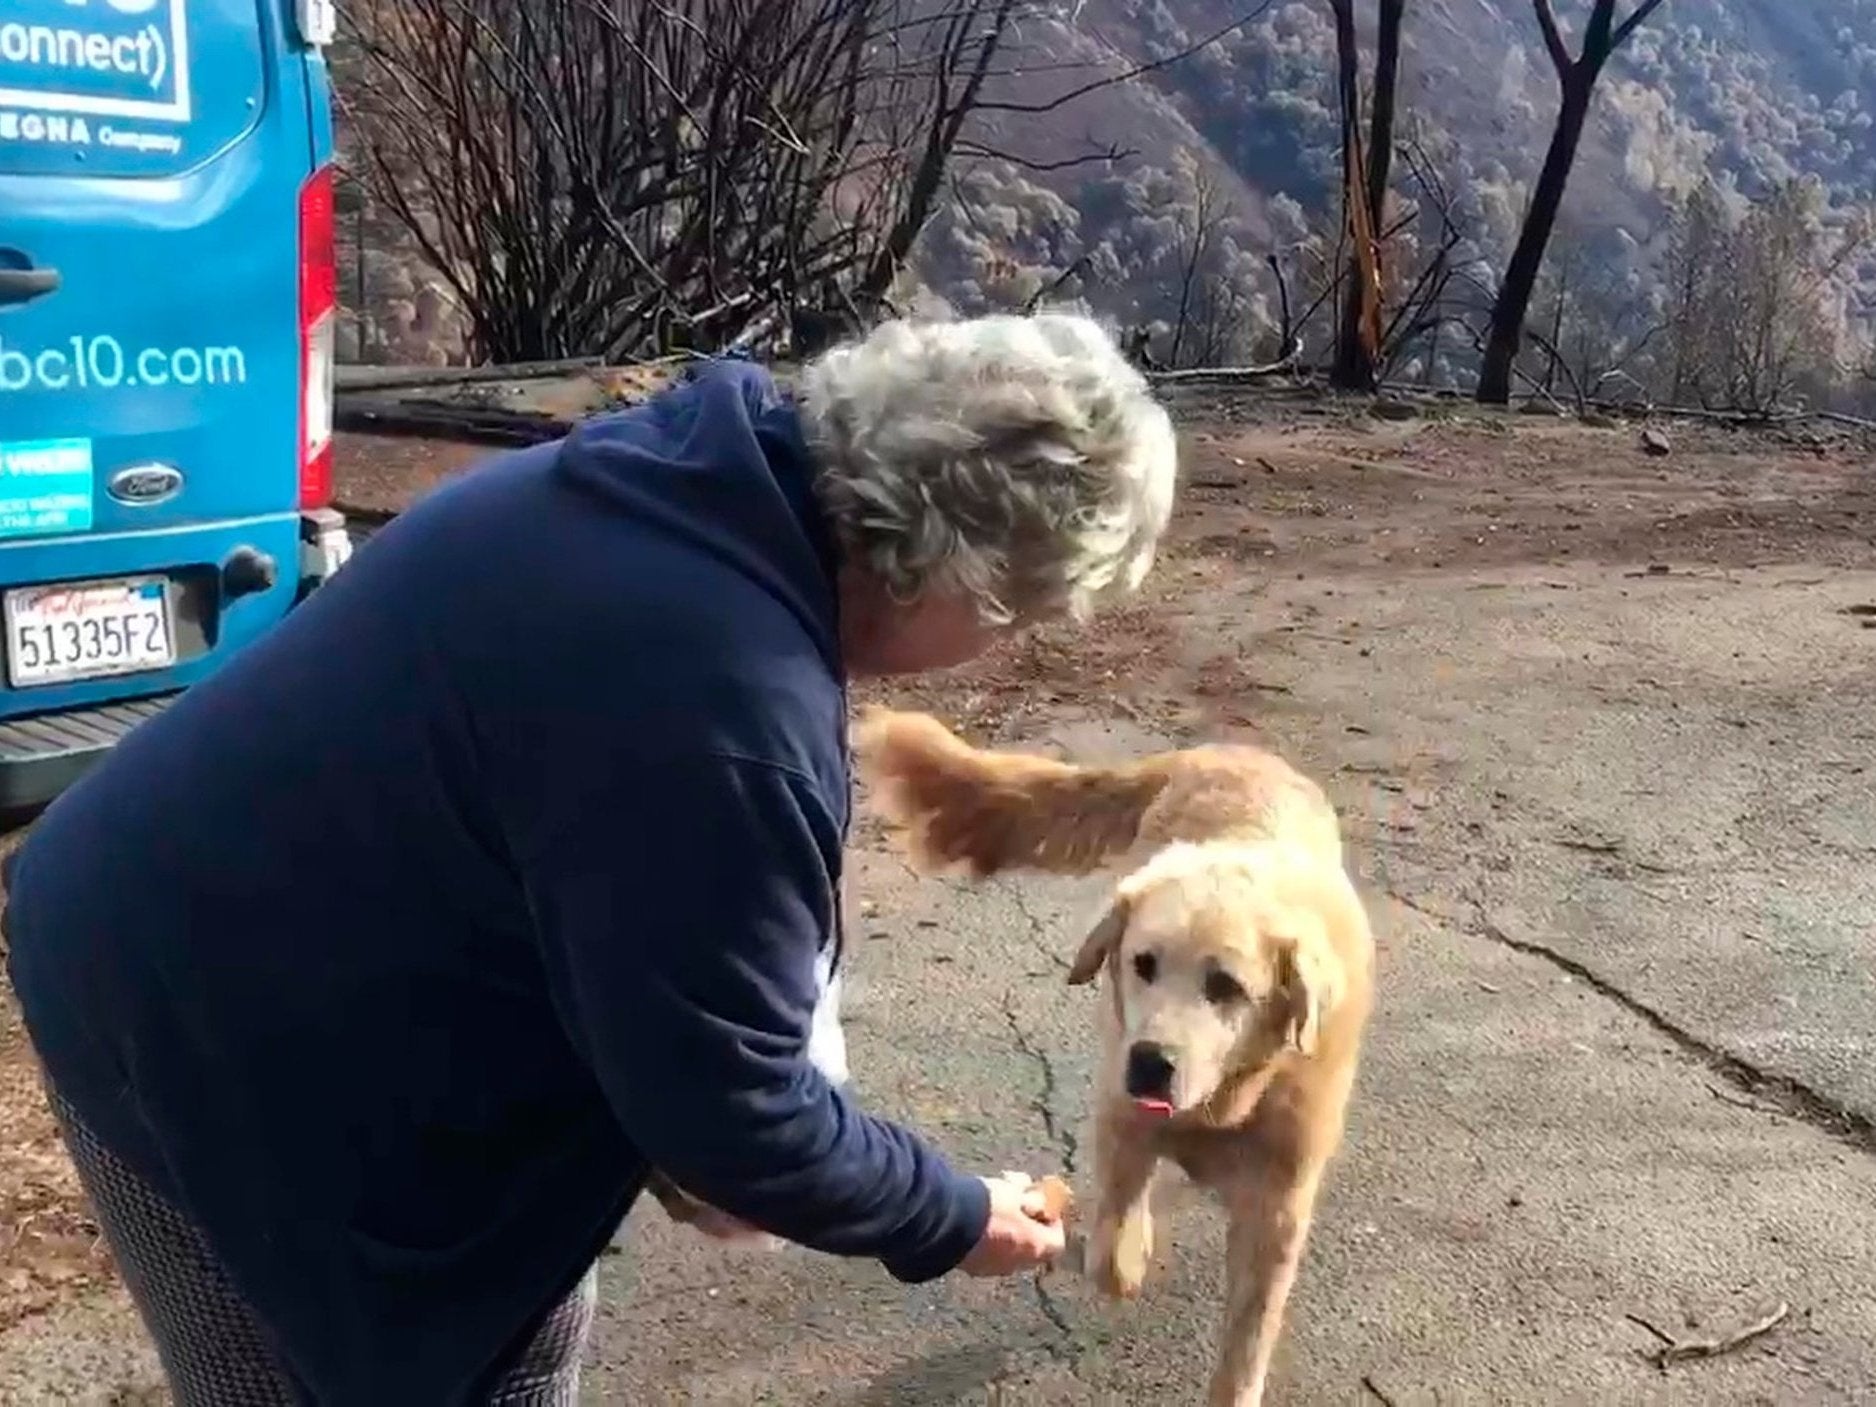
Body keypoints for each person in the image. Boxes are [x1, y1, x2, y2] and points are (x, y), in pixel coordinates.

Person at [3, 310, 1179, 1404]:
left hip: (235, 916)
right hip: (179, 1005)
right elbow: (737, 1119)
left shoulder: (695, 468)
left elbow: (673, 964)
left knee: (521, 1315)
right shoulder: (721, 704)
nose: (992, 650)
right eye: (1014, 619)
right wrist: (954, 1216)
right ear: (959, 575)